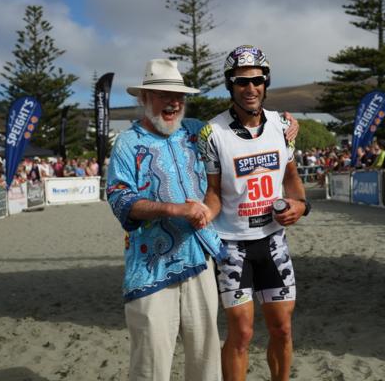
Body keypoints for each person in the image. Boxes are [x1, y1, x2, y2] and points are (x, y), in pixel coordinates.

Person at [106, 59, 226, 381]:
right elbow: (120, 199)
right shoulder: (127, 143)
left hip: (200, 258)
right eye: (162, 95)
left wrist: (284, 123)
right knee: (151, 362)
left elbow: (236, 132)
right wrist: (174, 209)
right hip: (150, 268)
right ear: (145, 99)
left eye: (179, 96)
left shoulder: (197, 131)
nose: (173, 102)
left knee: (206, 357)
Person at [198, 45, 309, 381]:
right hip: (232, 246)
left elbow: (291, 178)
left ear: (266, 82)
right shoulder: (212, 133)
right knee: (242, 333)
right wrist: (200, 216)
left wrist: (301, 205)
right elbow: (214, 191)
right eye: (241, 82)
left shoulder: (282, 125)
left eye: (257, 81)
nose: (250, 88)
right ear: (230, 85)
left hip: (273, 242)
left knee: (282, 329)